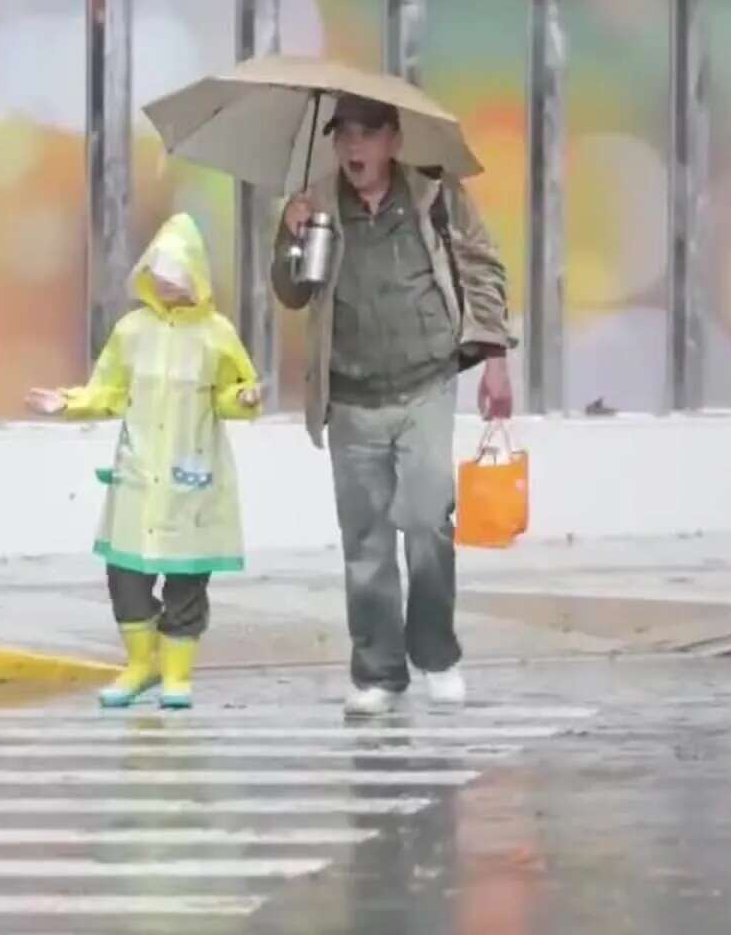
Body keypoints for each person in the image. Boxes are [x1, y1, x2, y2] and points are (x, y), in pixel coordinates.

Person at [270, 94, 515, 717]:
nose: (355, 149)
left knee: (428, 518)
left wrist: (495, 361)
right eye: (345, 136)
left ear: (394, 140)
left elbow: (483, 270)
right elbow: (291, 292)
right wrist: (291, 238)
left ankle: (436, 654)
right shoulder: (315, 204)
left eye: (368, 135)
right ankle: (379, 671)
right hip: (351, 394)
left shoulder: (436, 197)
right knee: (367, 541)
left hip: (426, 381)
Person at [27, 213, 262, 710]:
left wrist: (243, 398)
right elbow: (109, 392)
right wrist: (67, 403)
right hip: (138, 476)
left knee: (187, 580)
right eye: (159, 270)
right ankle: (141, 664)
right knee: (126, 577)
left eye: (176, 273)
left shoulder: (217, 334)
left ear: (196, 276)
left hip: (192, 478)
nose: (166, 281)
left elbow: (233, 390)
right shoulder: (131, 331)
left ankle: (177, 674)